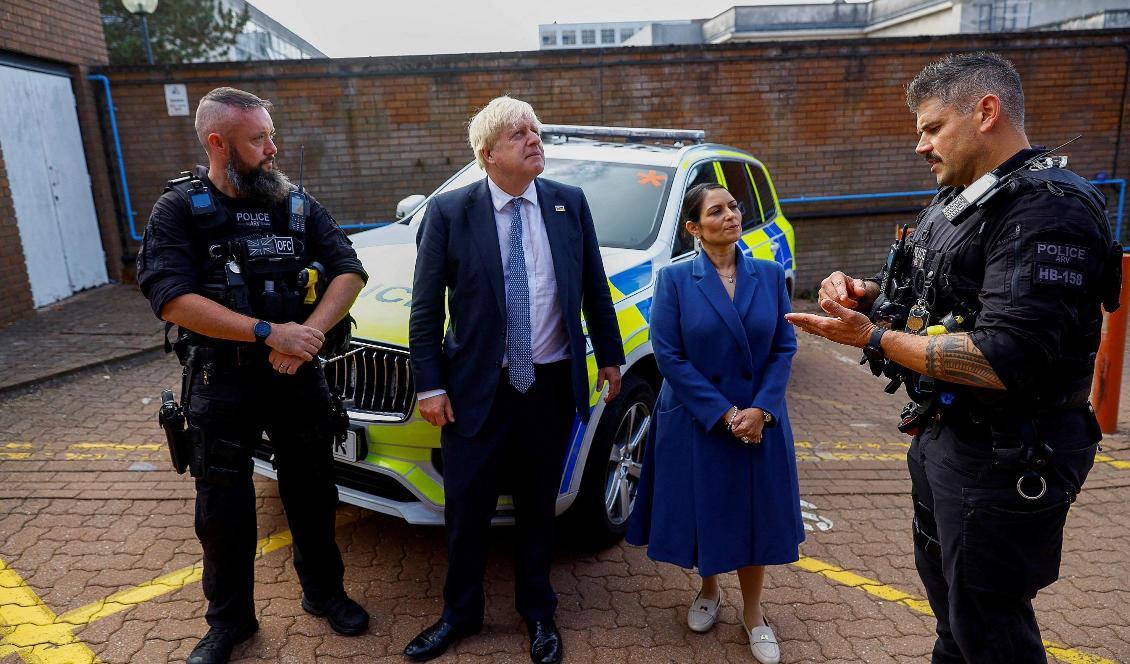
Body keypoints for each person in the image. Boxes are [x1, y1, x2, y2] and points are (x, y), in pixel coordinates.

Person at [786, 52, 1122, 663]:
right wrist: (867, 297)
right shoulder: (961, 200)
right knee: (955, 620)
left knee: (991, 629)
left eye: (932, 127)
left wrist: (873, 338)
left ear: (986, 112)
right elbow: (930, 299)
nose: (921, 145)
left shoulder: (1047, 210)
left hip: (1012, 454)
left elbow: (1002, 358)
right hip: (950, 438)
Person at [137, 87, 370, 664]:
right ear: (219, 143)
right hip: (223, 380)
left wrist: (305, 334)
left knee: (314, 492)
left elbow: (348, 268)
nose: (272, 148)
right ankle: (230, 624)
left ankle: (325, 594)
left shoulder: (296, 204)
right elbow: (171, 298)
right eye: (258, 139)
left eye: (271, 134)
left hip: (297, 376)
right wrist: (269, 333)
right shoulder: (179, 209)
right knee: (222, 510)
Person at [405, 96, 625, 664]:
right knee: (466, 511)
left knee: (537, 508)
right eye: (518, 134)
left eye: (536, 130)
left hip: (549, 386)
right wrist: (430, 386)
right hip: (476, 389)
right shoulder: (450, 212)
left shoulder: (568, 204)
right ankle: (459, 613)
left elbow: (594, 286)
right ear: (487, 154)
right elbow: (426, 308)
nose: (534, 140)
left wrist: (609, 356)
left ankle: (538, 611)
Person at [627, 183, 803, 664]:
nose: (731, 215)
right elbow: (669, 356)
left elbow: (784, 348)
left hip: (758, 420)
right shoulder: (676, 280)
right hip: (699, 418)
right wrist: (725, 414)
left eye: (734, 207)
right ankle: (708, 589)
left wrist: (761, 410)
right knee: (706, 510)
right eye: (717, 210)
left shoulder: (769, 276)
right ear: (693, 228)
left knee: (753, 517)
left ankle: (753, 614)